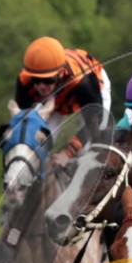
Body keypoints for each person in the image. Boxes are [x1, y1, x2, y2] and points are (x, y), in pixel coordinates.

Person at [13, 36, 111, 168]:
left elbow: (95, 123)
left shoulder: (82, 82)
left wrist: (67, 153)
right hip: (57, 98)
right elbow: (22, 124)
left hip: (92, 89)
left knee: (87, 147)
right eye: (36, 80)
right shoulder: (24, 81)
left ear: (60, 73)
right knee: (37, 143)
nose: (41, 87)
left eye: (48, 80)